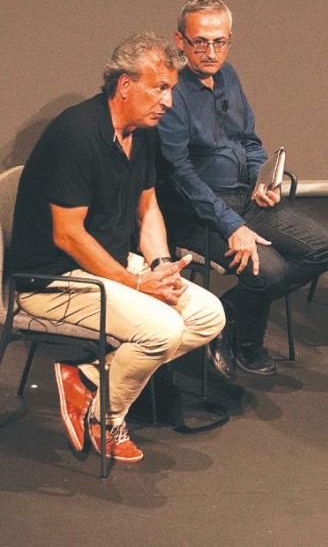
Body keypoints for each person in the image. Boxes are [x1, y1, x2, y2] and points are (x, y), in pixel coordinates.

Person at [10, 31, 226, 464]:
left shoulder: (142, 132)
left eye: (171, 89)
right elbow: (67, 235)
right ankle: (105, 417)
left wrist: (160, 266)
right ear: (125, 85)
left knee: (208, 315)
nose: (168, 101)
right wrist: (136, 283)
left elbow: (148, 209)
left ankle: (88, 379)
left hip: (107, 263)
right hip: (52, 278)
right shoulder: (77, 134)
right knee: (162, 331)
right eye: (159, 88)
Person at [157, 0, 328, 379]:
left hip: (245, 197)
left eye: (220, 42)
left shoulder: (229, 77)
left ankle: (224, 317)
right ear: (180, 41)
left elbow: (249, 140)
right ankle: (247, 343)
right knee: (267, 270)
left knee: (326, 246)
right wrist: (231, 226)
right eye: (200, 42)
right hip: (198, 212)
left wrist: (263, 178)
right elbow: (180, 174)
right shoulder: (172, 92)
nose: (211, 52)